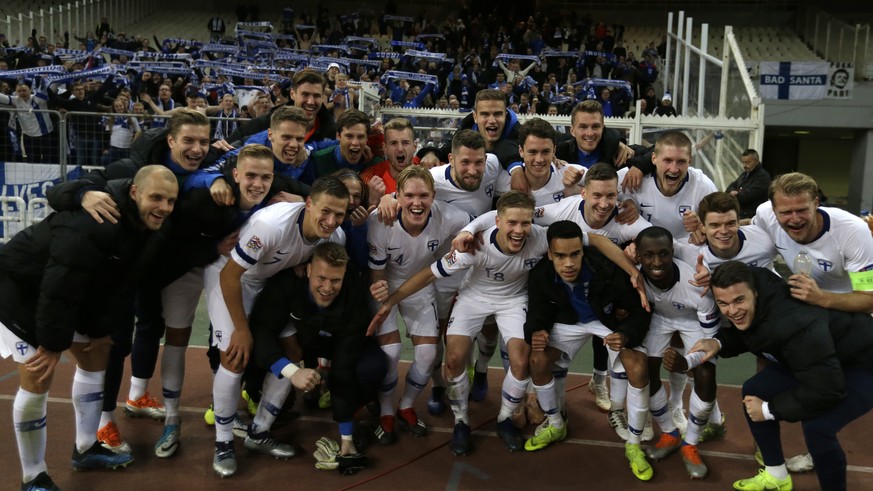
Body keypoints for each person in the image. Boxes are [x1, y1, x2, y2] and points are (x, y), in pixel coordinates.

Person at [1, 165, 178, 490]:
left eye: (170, 201)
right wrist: (53, 344)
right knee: (38, 375)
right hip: (20, 291)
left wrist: (99, 330)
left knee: (99, 355)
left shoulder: (150, 230)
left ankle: (85, 449)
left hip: (68, 293)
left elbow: (119, 285)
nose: (164, 208)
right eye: (156, 198)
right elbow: (60, 284)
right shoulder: (94, 222)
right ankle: (33, 477)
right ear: (135, 193)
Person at [206, 176, 348, 477]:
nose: (331, 220)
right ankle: (223, 444)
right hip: (233, 279)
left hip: (270, 285)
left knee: (291, 349)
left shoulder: (335, 238)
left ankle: (259, 433)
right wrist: (242, 330)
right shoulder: (271, 225)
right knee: (235, 356)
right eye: (325, 211)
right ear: (308, 204)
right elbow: (229, 276)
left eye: (339, 214)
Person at [689, 261, 873, 491]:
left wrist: (769, 410)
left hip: (862, 363)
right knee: (754, 390)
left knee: (818, 427)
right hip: (817, 357)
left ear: (754, 293)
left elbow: (827, 389)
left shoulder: (793, 323)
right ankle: (776, 475)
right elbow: (756, 333)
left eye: (739, 301)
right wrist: (718, 342)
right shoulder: (751, 285)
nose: (732, 311)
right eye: (722, 304)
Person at [523, 220, 655, 482]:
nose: (568, 263)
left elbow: (639, 310)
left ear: (583, 251)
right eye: (560, 256)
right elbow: (538, 311)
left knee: (639, 366)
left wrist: (625, 333)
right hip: (566, 322)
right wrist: (537, 331)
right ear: (550, 254)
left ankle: (633, 443)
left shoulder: (608, 269)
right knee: (537, 360)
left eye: (575, 254)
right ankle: (556, 425)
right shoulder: (540, 274)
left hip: (603, 322)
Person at [245, 242, 385, 472]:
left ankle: (353, 411)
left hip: (336, 342)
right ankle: (256, 417)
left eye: (335, 280)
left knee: (373, 366)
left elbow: (344, 364)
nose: (328, 287)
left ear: (344, 275)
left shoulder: (354, 295)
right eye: (321, 278)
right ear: (307, 270)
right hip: (302, 342)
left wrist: (346, 439)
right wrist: (292, 371)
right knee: (246, 350)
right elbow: (262, 332)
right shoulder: (285, 284)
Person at [367, 165, 473, 444]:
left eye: (424, 196)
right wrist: (380, 293)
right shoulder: (380, 221)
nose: (417, 203)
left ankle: (406, 405)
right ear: (397, 197)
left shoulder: (449, 216)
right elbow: (377, 272)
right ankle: (387, 411)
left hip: (420, 285)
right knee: (390, 353)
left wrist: (468, 237)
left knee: (427, 356)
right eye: (409, 195)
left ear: (434, 196)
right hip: (386, 286)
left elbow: (483, 223)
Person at [634, 226, 720, 479]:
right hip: (659, 318)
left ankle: (690, 443)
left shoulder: (697, 284)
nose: (657, 262)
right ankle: (670, 434)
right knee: (643, 371)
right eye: (648, 255)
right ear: (638, 256)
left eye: (664, 254)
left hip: (692, 319)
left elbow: (711, 341)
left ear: (673, 253)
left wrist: (687, 361)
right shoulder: (634, 277)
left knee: (705, 373)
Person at [0, 81, 57, 163]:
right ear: (16, 92)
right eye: (19, 91)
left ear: (30, 90)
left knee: (48, 161)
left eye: (24, 90)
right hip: (28, 137)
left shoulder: (37, 98)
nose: (22, 93)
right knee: (32, 162)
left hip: (45, 135)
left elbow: (51, 87)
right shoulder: (15, 100)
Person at [725, 150, 771, 221]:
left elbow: (746, 197)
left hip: (752, 218)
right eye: (743, 162)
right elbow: (730, 187)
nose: (744, 165)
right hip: (740, 215)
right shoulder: (745, 174)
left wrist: (736, 193)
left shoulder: (763, 177)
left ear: (756, 161)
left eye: (748, 162)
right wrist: (733, 192)